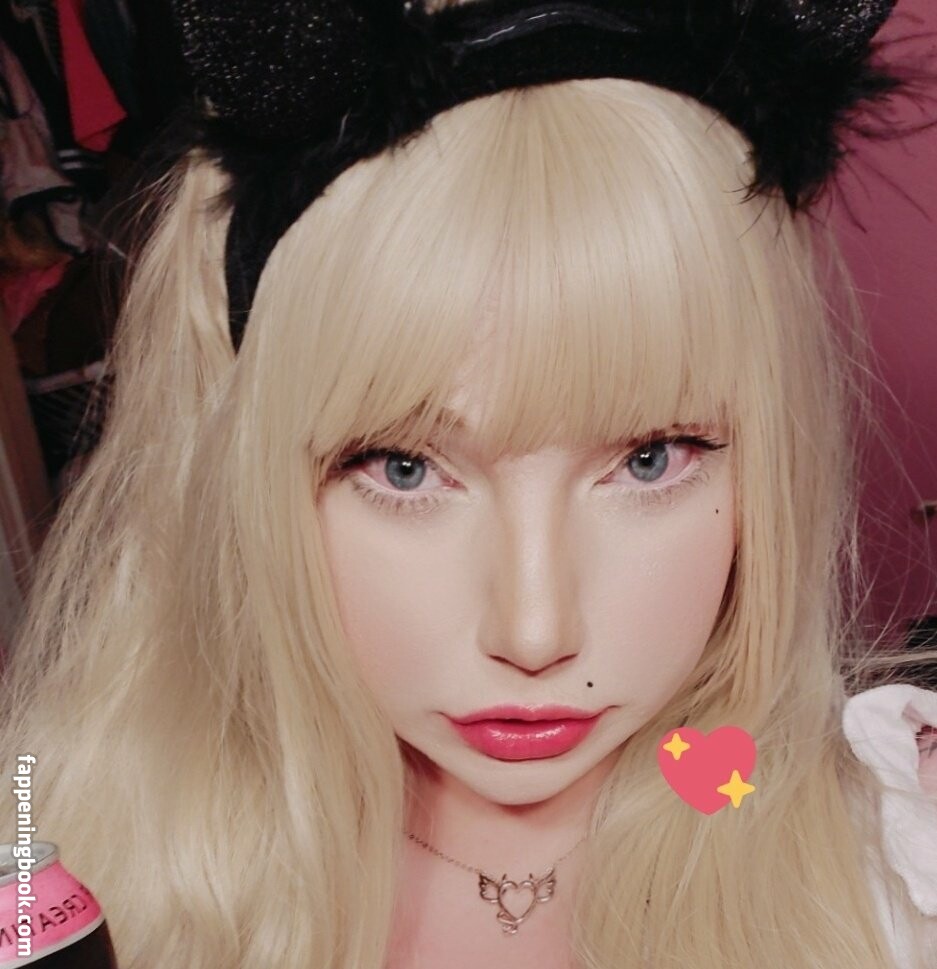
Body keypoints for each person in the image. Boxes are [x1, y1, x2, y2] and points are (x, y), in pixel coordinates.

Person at [1, 1, 936, 967]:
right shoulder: (73, 875)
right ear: (242, 475)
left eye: (649, 459)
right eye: (403, 468)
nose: (534, 633)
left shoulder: (898, 877)